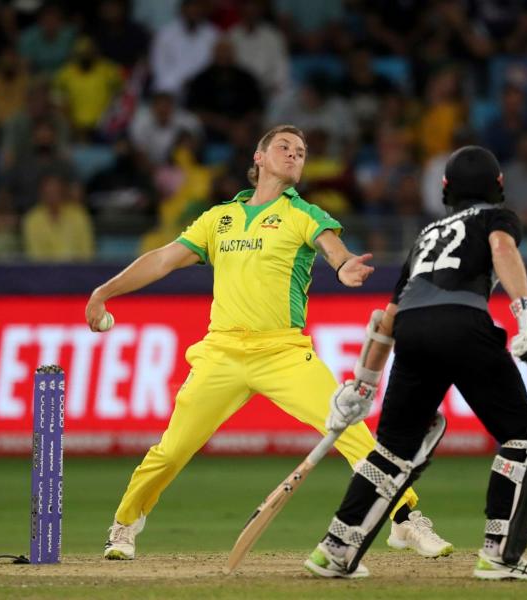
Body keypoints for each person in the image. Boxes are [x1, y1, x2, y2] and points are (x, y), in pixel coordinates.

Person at [85, 125, 452, 560]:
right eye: (284, 147)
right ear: (259, 157)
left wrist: (344, 266)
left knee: (352, 433)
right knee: (171, 451)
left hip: (283, 353)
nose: (295, 154)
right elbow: (163, 259)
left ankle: (405, 520)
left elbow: (332, 248)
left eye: (301, 151)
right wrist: (103, 292)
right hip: (221, 353)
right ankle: (125, 525)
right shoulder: (218, 219)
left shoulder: (303, 213)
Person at [304, 145, 527, 580]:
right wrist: (524, 308)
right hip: (463, 323)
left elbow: (387, 317)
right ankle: (500, 554)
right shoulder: (495, 218)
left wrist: (362, 385)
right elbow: (501, 248)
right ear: (498, 187)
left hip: (412, 331)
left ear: (446, 190)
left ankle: (335, 549)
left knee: (392, 450)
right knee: (523, 436)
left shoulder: (426, 235)